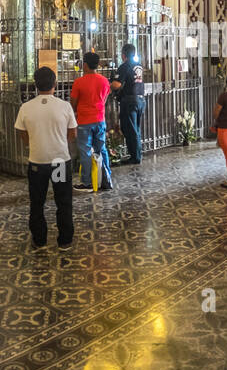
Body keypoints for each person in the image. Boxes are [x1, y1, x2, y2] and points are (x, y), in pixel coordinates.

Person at [14, 66, 77, 249]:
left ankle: (39, 239)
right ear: (55, 84)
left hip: (37, 162)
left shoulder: (26, 108)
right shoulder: (64, 106)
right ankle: (65, 240)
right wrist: (59, 142)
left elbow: (22, 132)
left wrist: (34, 143)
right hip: (59, 161)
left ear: (35, 85)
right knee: (63, 201)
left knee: (37, 202)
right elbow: (72, 133)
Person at [70, 51, 113, 192]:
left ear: (85, 65)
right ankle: (106, 179)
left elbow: (73, 103)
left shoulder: (79, 82)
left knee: (86, 151)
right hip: (100, 119)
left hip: (84, 121)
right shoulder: (104, 81)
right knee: (102, 149)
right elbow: (104, 99)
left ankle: (87, 182)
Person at [110, 43, 145, 164]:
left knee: (130, 129)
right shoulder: (138, 65)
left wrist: (108, 84)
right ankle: (137, 154)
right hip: (140, 100)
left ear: (123, 55)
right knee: (135, 129)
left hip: (130, 101)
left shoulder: (125, 66)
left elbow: (116, 85)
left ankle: (135, 157)